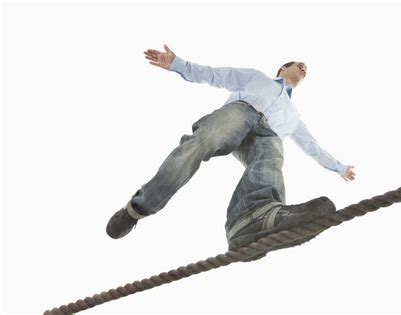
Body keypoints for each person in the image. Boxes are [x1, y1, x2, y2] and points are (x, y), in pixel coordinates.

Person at [106, 44, 356, 255]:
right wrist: (179, 64)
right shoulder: (257, 79)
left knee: (272, 153)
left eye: (307, 69)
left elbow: (312, 147)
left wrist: (340, 168)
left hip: (266, 133)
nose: (304, 68)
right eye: (298, 64)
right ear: (282, 68)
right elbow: (219, 75)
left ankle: (253, 216)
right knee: (203, 142)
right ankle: (138, 208)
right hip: (240, 113)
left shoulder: (294, 117)